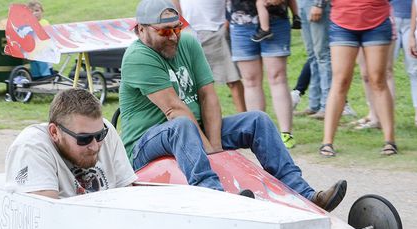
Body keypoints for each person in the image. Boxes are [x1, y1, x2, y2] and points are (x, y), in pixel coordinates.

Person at [119, 0, 347, 212]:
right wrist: (209, 150)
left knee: (257, 120)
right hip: (145, 144)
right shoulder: (138, 56)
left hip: (191, 130)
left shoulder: (187, 42)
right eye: (164, 31)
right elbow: (174, 110)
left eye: (176, 28)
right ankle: (218, 199)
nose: (173, 37)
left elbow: (208, 94)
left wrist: (215, 145)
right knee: (181, 125)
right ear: (141, 30)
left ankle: (304, 195)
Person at [5, 88, 137, 199]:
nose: (95, 146)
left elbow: (127, 196)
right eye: (84, 139)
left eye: (99, 135)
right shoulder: (32, 146)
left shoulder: (106, 129)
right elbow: (44, 215)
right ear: (54, 132)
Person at [321, 0, 397, 156]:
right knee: (340, 81)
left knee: (378, 80)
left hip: (377, 19)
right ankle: (327, 142)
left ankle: (390, 141)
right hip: (342, 20)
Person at [227, 0, 296, 149]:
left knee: (277, 77)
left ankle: (286, 133)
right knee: (250, 80)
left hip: (276, 21)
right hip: (240, 22)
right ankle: (258, 134)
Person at [172, 0, 246, 112]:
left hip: (216, 29)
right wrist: (179, 25)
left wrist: (228, 21)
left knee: (232, 80)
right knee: (193, 85)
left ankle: (244, 119)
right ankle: (201, 122)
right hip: (188, 31)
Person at [26, 0, 53, 79]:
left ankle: (46, 77)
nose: (35, 13)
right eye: (32, 12)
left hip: (43, 50)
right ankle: (35, 77)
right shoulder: (27, 24)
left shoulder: (44, 22)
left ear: (42, 11)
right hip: (32, 50)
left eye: (37, 10)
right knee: (34, 65)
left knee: (43, 64)